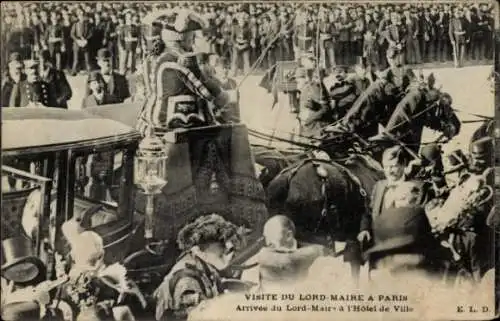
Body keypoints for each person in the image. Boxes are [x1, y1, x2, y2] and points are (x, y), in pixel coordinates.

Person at [136, 9, 238, 137]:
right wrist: (226, 96)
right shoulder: (183, 59)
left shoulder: (151, 59)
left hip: (148, 122)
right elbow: (210, 93)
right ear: (183, 39)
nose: (193, 43)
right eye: (192, 38)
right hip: (173, 124)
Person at [358, 146, 440, 279]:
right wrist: (365, 229)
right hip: (379, 246)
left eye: (394, 166)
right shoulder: (379, 186)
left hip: (405, 250)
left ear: (403, 165)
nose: (390, 171)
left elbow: (422, 220)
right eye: (386, 166)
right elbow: (368, 212)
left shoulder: (419, 187)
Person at [154, 214, 247, 321]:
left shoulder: (206, 268)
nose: (228, 253)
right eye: (221, 247)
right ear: (199, 250)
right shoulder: (187, 279)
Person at [257, 215, 327, 291]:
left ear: (288, 236)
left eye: (272, 234)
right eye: (266, 236)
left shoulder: (316, 254)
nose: (268, 242)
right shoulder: (265, 257)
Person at [297, 51, 332, 138]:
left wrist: (309, 119)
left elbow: (325, 107)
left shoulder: (314, 87)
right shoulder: (310, 87)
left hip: (313, 121)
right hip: (310, 121)